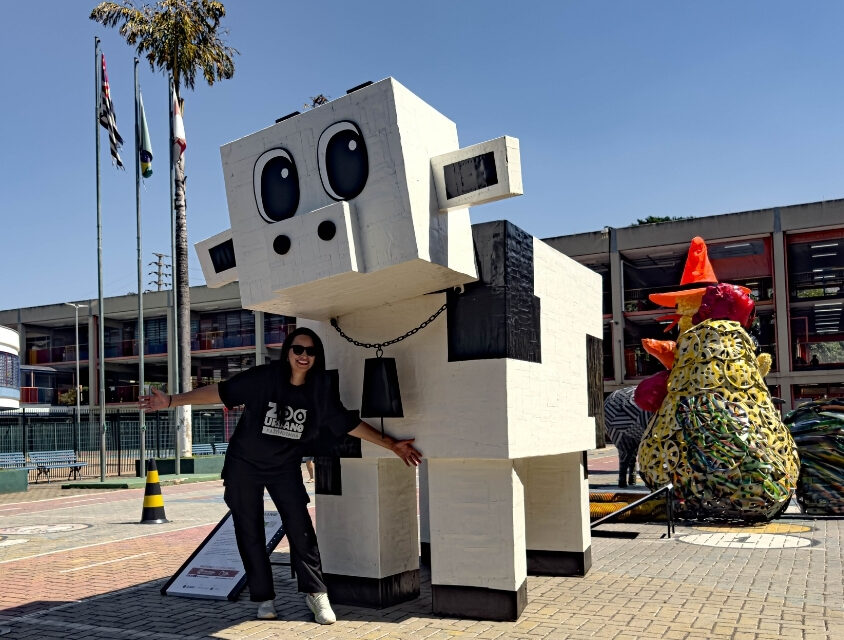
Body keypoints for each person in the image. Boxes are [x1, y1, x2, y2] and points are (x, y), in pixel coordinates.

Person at [139, 327, 422, 624]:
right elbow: (222, 392)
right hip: (243, 464)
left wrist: (391, 445)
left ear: (317, 357)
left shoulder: (320, 389)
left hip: (284, 466)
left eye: (310, 352)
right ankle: (265, 598)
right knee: (249, 530)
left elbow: (347, 423)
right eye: (298, 349)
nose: (303, 356)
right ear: (287, 351)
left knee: (300, 527)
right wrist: (171, 401)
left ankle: (316, 593)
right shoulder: (264, 378)